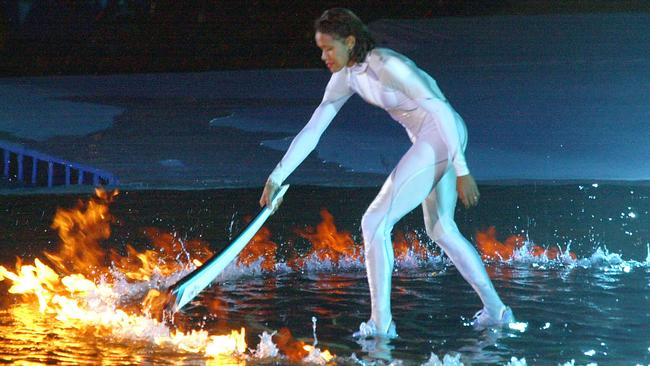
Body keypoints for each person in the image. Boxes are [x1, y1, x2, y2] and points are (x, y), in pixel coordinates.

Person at [259, 8, 513, 337]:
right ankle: (497, 311)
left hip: (442, 134)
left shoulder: (387, 65)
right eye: (320, 49)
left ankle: (381, 324)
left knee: (374, 221)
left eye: (328, 48)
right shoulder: (346, 78)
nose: (323, 56)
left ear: (350, 42)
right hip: (432, 141)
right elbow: (314, 130)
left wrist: (461, 169)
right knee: (441, 229)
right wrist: (277, 176)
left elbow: (439, 108)